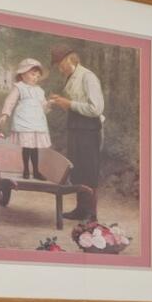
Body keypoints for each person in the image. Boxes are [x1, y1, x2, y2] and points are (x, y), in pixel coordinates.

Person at [49, 47, 109, 209]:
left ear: (70, 59)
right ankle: (81, 209)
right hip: (76, 127)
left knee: (89, 170)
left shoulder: (88, 77)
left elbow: (96, 109)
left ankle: (90, 212)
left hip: (89, 129)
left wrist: (69, 104)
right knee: (78, 169)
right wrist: (62, 101)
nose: (59, 69)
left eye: (60, 64)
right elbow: (75, 104)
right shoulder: (71, 77)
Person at [0, 58, 52, 178]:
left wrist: (49, 104)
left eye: (37, 76)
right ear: (22, 74)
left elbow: (44, 107)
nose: (35, 78)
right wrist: (5, 113)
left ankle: (36, 171)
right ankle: (26, 170)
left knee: (35, 147)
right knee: (27, 145)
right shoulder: (19, 87)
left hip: (37, 121)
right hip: (24, 119)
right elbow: (10, 101)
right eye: (32, 74)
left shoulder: (39, 91)